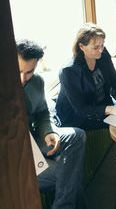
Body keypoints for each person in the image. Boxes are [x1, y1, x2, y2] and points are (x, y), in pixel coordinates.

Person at [16, 39, 88, 209]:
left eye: (29, 72)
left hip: (34, 139)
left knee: (77, 135)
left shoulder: (37, 82)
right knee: (70, 178)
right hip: (15, 155)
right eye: (18, 71)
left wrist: (49, 132)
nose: (22, 79)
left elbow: (42, 112)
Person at [55, 23, 116, 130]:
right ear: (81, 46)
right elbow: (81, 109)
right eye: (96, 47)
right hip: (79, 116)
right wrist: (111, 109)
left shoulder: (102, 54)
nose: (101, 50)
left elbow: (114, 78)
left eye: (102, 45)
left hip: (102, 104)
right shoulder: (68, 71)